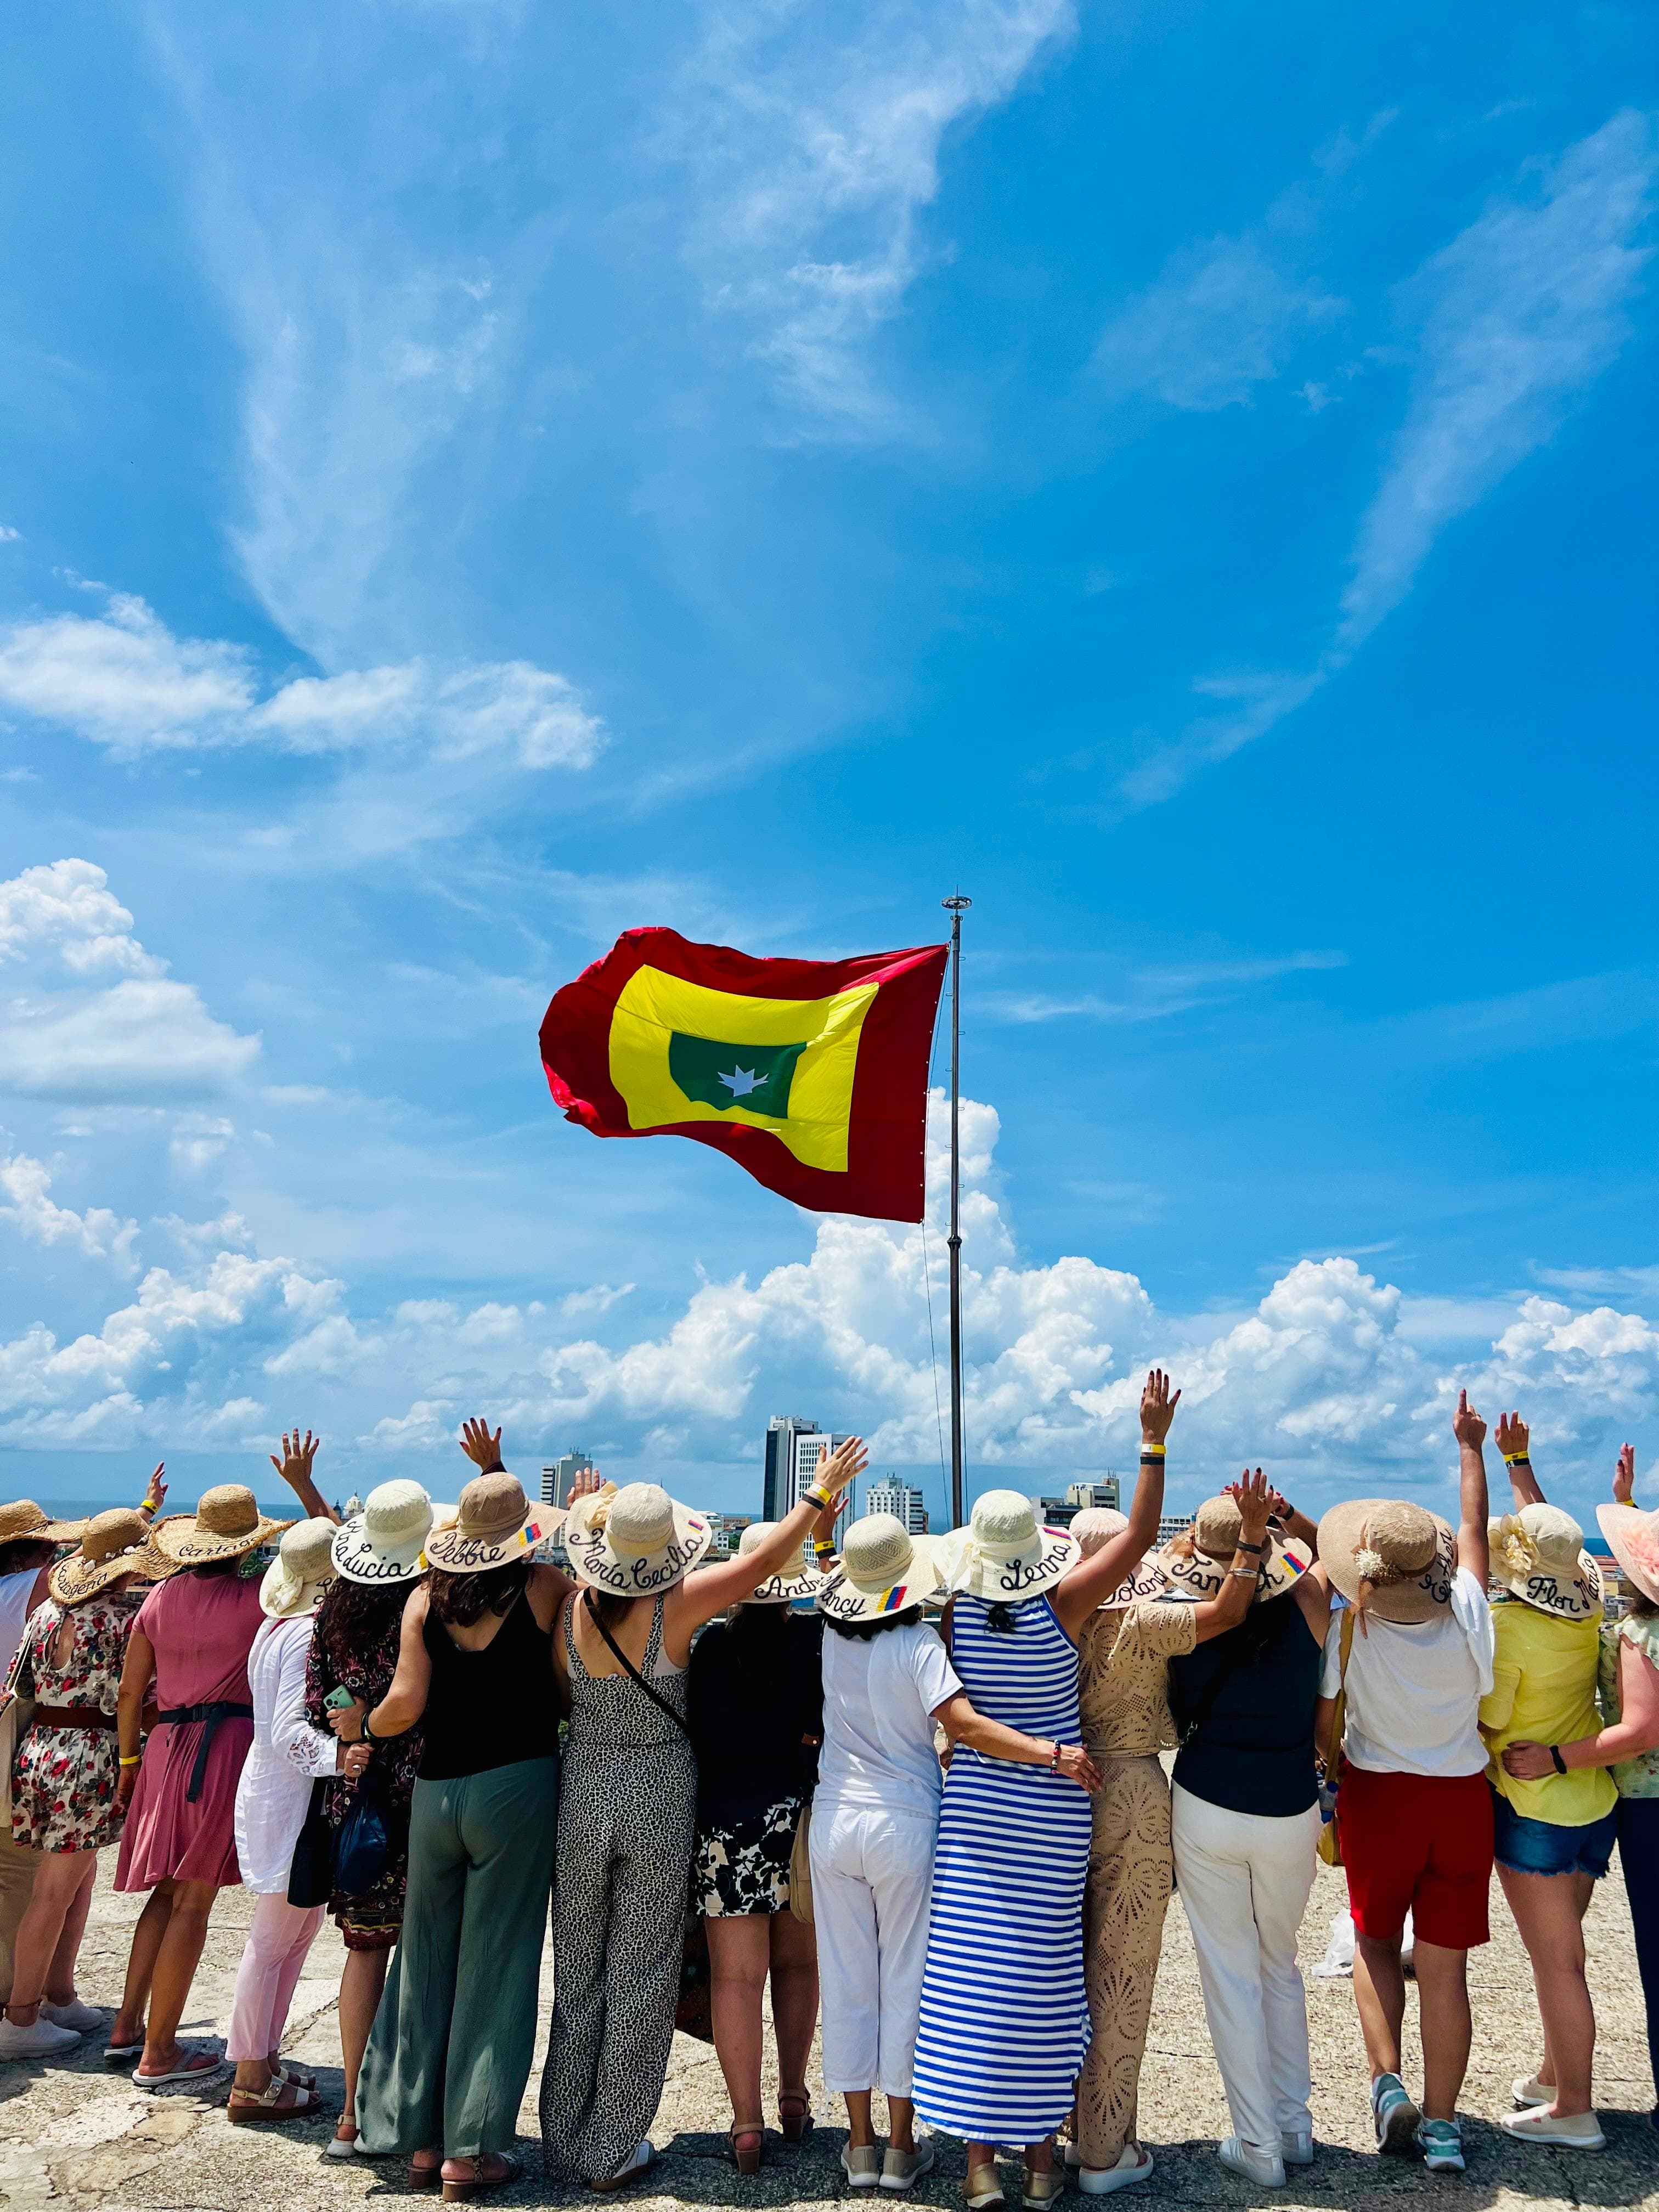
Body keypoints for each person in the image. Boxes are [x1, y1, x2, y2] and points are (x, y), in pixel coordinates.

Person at [541, 1437, 867, 2191]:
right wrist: (817, 1495)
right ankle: (614, 2142)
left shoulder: (566, 1609)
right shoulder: (673, 1610)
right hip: (657, 1793)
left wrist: (585, 1508)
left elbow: (564, 1698)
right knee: (643, 1973)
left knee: (579, 1974)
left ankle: (566, 2138)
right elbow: (758, 1571)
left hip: (584, 1786)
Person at [913, 1369, 1180, 2212]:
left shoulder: (953, 1613)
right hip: (1053, 1811)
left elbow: (958, 1723)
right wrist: (1152, 1440)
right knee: (1044, 1976)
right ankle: (1040, 2163)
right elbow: (1137, 1537)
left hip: (979, 1809)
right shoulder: (1064, 1604)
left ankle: (977, 2167)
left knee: (970, 1979)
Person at [814, 1512, 1101, 2198]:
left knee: (850, 1984)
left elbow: (830, 1573)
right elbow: (964, 1724)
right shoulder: (919, 1643)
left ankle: (860, 2148)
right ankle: (904, 2143)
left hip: (834, 1818)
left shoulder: (827, 1635)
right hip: (905, 1819)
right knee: (911, 1984)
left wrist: (825, 1516)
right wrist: (1052, 1753)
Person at [337, 1427, 570, 2201]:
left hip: (439, 1792)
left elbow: (405, 1704)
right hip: (518, 1784)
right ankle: (471, 2152)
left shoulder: (423, 1596)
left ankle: (416, 2137)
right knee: (498, 1965)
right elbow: (568, 1688)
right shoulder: (544, 1591)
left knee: (423, 1962)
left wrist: (363, 1730)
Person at [1068, 1471, 1274, 2196]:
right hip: (1134, 1794)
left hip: (1062, 1793)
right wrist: (1252, 1541)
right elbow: (1228, 1610)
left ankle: (1066, 2127)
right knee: (1124, 1973)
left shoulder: (1055, 1619)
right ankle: (1104, 2146)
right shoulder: (1146, 1620)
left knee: (1064, 1973)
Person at [1312, 1389, 1494, 2175]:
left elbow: (1327, 1723)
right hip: (1460, 1799)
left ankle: (1387, 2082)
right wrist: (1471, 1449)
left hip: (1378, 1793)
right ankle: (1446, 2128)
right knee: (1446, 1969)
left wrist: (1330, 1763)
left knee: (1376, 1944)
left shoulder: (1354, 1623)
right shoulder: (1470, 1611)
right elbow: (1479, 1533)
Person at [1163, 1462, 1330, 2189]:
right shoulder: (1315, 1598)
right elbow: (1332, 1553)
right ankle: (1294, 2127)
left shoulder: (1184, 1611)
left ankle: (1257, 2142)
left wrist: (1192, 1553)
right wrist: (1277, 1520)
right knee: (1279, 1965)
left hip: (1207, 1798)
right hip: (1291, 1800)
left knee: (1230, 1975)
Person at [112, 1483, 294, 2087]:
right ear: (246, 1548)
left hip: (164, 1750)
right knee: (194, 1900)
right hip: (222, 1749)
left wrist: (129, 1762)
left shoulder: (158, 1599)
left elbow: (131, 1692)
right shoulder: (257, 1602)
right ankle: (159, 2053)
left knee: (163, 1895)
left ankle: (127, 2027)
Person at [1480, 1413, 1620, 2149]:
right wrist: (1517, 1461)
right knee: (1569, 1954)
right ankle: (1553, 2073)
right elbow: (1558, 1547)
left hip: (1535, 1808)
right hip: (1592, 1800)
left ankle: (1576, 2110)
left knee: (1556, 1964)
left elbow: (1492, 1719)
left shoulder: (1512, 1631)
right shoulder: (1589, 1609)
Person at [687, 1517, 830, 2172]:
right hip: (796, 1822)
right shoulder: (814, 1638)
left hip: (724, 1824)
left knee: (735, 1978)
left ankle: (746, 2124)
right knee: (799, 1967)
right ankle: (794, 2096)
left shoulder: (707, 1646)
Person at [0, 1511, 167, 2062]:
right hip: (90, 1758)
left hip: (38, 1750)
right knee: (56, 1888)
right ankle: (22, 2016)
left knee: (72, 1881)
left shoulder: (47, 1610)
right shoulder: (127, 1618)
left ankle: (60, 1994)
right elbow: (137, 1698)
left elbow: (19, 1685)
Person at [307, 1474, 434, 2158]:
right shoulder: (422, 1605)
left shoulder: (332, 1609)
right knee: (419, 1958)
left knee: (363, 1952)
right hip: (420, 1795)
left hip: (353, 1798)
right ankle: (408, 2120)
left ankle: (351, 2113)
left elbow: (315, 1703)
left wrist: (351, 1740)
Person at [225, 1517, 363, 2121]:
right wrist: (342, 1757)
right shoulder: (309, 1635)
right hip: (291, 1797)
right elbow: (288, 1731)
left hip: (276, 1792)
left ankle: (265, 2060)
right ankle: (251, 2077)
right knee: (277, 1936)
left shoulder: (276, 1626)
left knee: (292, 1934)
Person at [1548, 1445, 1659, 2132]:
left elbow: (1640, 1731)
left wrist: (1560, 1758)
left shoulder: (1640, 1632)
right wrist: (1626, 1505)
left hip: (1648, 1807)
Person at [0, 1498, 88, 2009]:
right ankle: (29, 1997)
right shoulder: (27, 1589)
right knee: (32, 1878)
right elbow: (80, 1574)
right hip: (24, 1737)